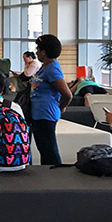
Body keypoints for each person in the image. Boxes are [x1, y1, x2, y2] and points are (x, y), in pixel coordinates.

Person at [29, 34, 72, 165]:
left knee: (49, 150)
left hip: (46, 114)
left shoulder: (53, 69)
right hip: (38, 113)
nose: (36, 52)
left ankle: (55, 173)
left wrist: (62, 107)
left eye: (38, 49)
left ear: (44, 52)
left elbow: (67, 94)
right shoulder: (45, 67)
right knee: (43, 149)